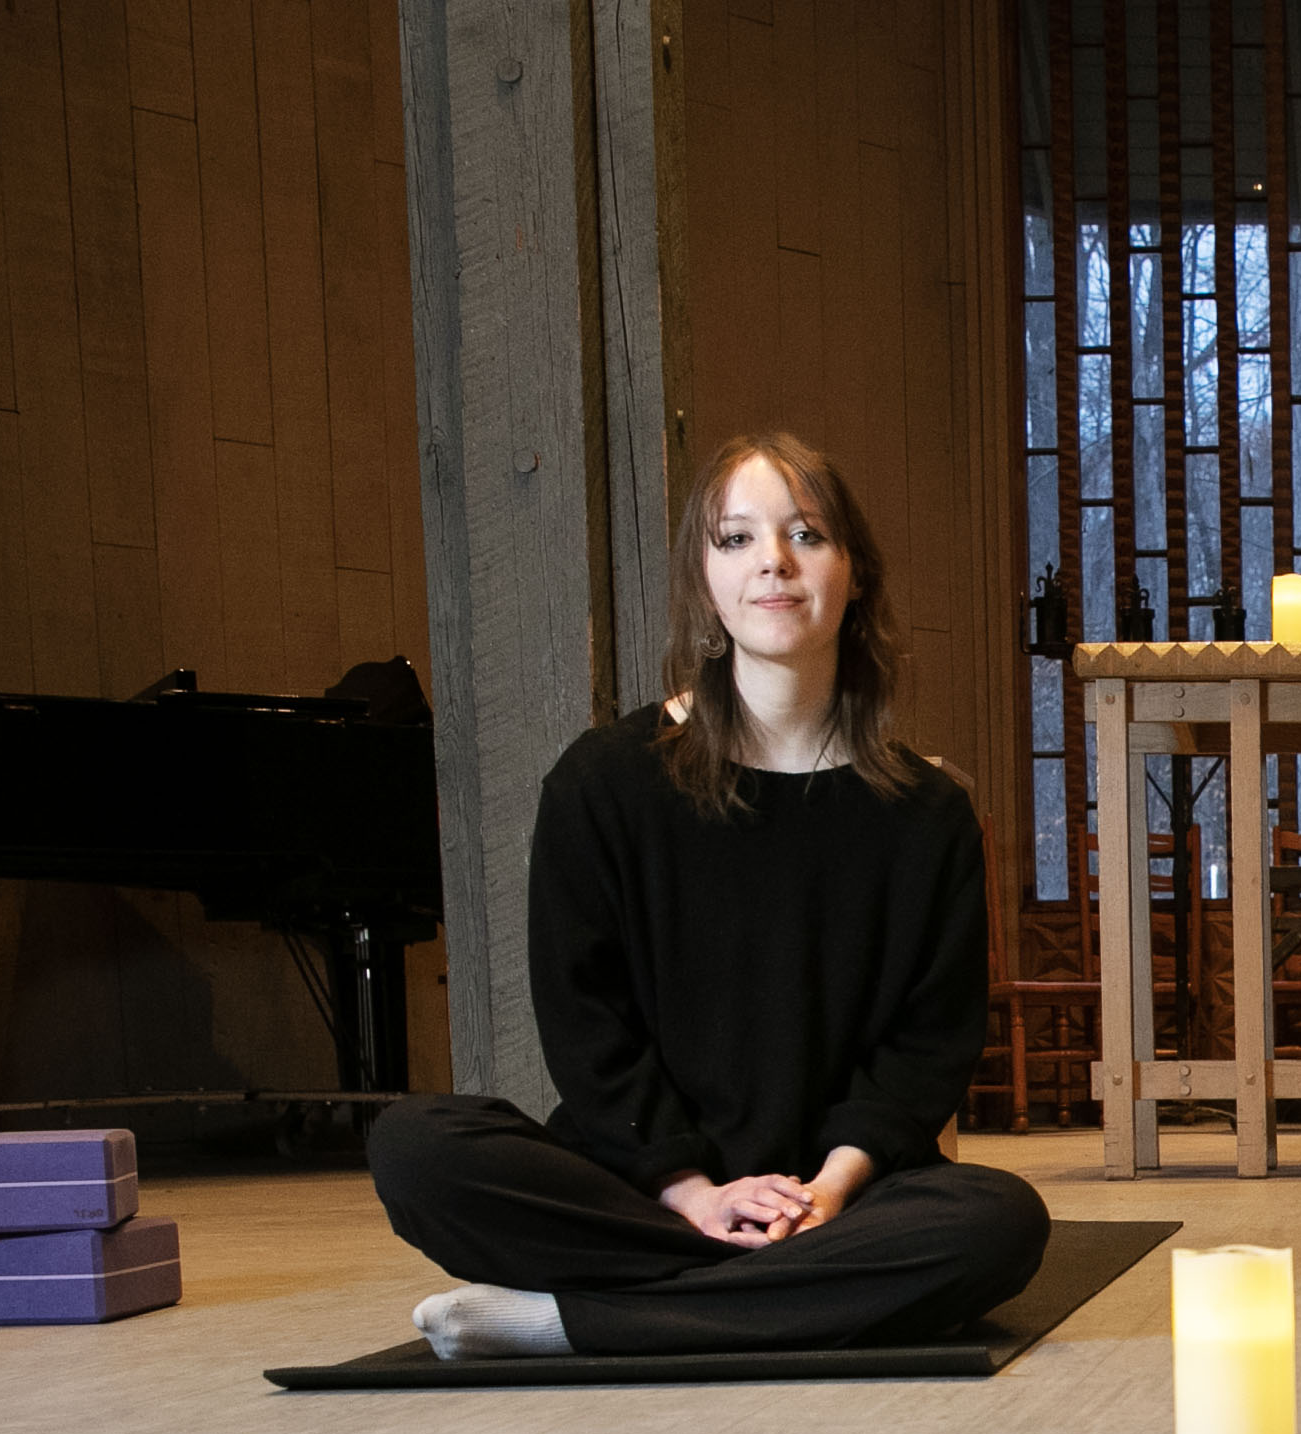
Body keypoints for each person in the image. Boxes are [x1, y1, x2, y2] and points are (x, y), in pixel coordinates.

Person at [367, 433, 1050, 1357]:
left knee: (997, 1219)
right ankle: (783, 1296)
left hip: (837, 1197)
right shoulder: (603, 781)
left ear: (855, 574)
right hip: (643, 1185)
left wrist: (830, 1193)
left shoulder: (926, 813)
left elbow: (925, 1051)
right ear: (704, 576)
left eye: (806, 534)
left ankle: (572, 1321)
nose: (772, 561)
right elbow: (587, 1026)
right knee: (417, 1145)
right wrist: (693, 1193)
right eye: (735, 539)